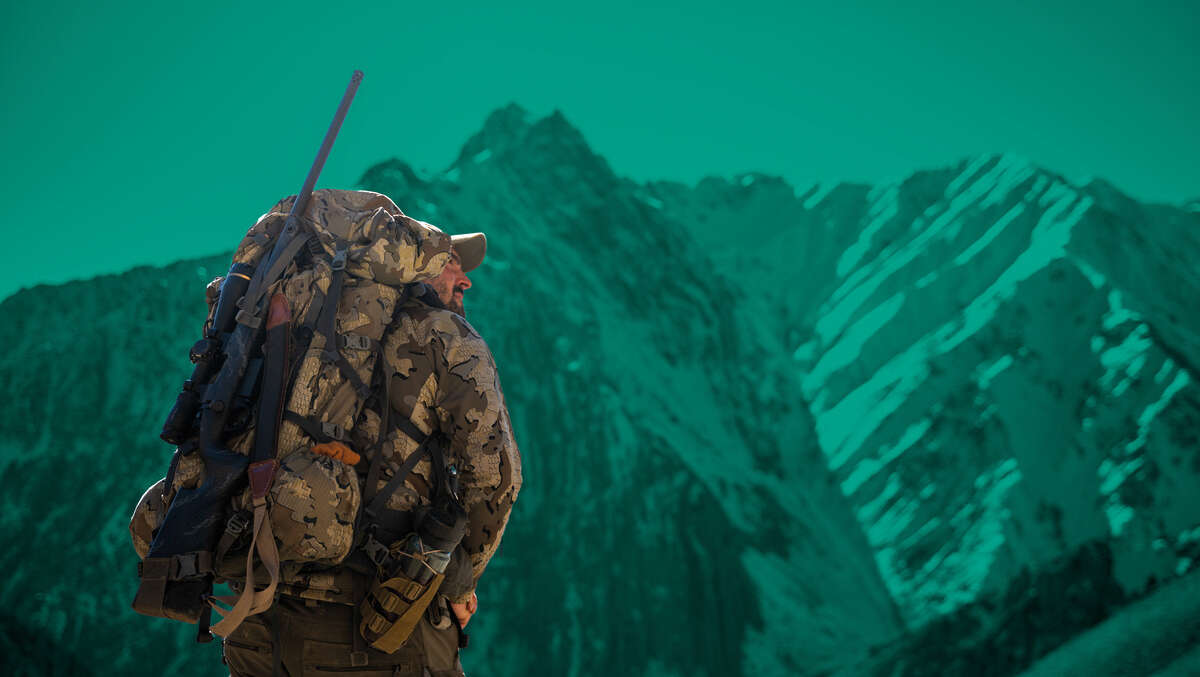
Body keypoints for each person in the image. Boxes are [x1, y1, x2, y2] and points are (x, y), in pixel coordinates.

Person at [222, 231, 523, 677]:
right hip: (377, 624)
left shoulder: (287, 322)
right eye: (451, 262)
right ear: (412, 261)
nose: (465, 280)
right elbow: (496, 478)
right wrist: (460, 585)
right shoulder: (443, 334)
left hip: (255, 624)